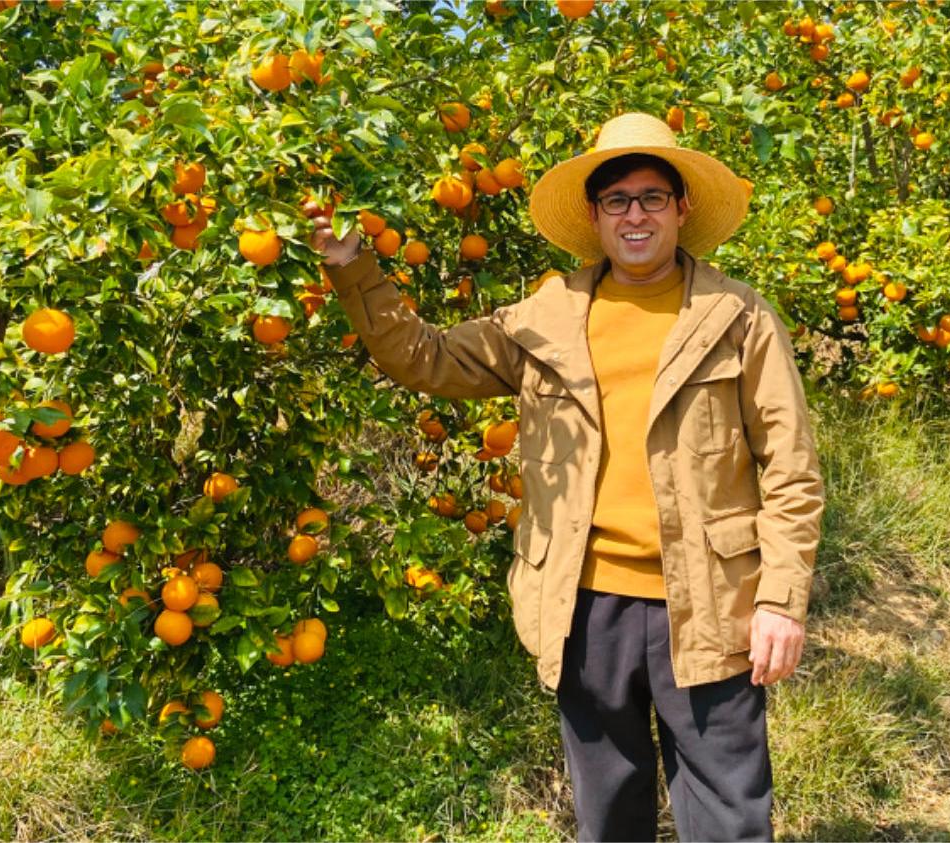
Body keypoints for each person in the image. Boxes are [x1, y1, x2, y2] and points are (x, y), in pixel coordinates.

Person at [308, 112, 824, 842]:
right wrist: (351, 264)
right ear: (595, 214)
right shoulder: (543, 319)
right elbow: (425, 357)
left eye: (652, 197)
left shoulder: (737, 317)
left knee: (730, 820)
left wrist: (780, 601)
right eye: (618, 199)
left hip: (714, 606)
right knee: (607, 820)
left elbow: (792, 470)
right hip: (585, 605)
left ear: (681, 208)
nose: (635, 215)